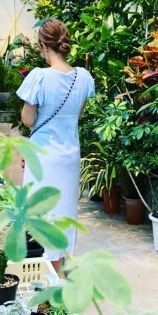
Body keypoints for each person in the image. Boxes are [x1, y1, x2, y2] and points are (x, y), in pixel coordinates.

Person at [17, 19, 95, 273]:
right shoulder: (83, 78)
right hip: (69, 156)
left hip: (43, 156)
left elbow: (28, 120)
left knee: (40, 211)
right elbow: (77, 116)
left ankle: (48, 273)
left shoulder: (39, 77)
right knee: (64, 211)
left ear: (43, 46)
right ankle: (59, 268)